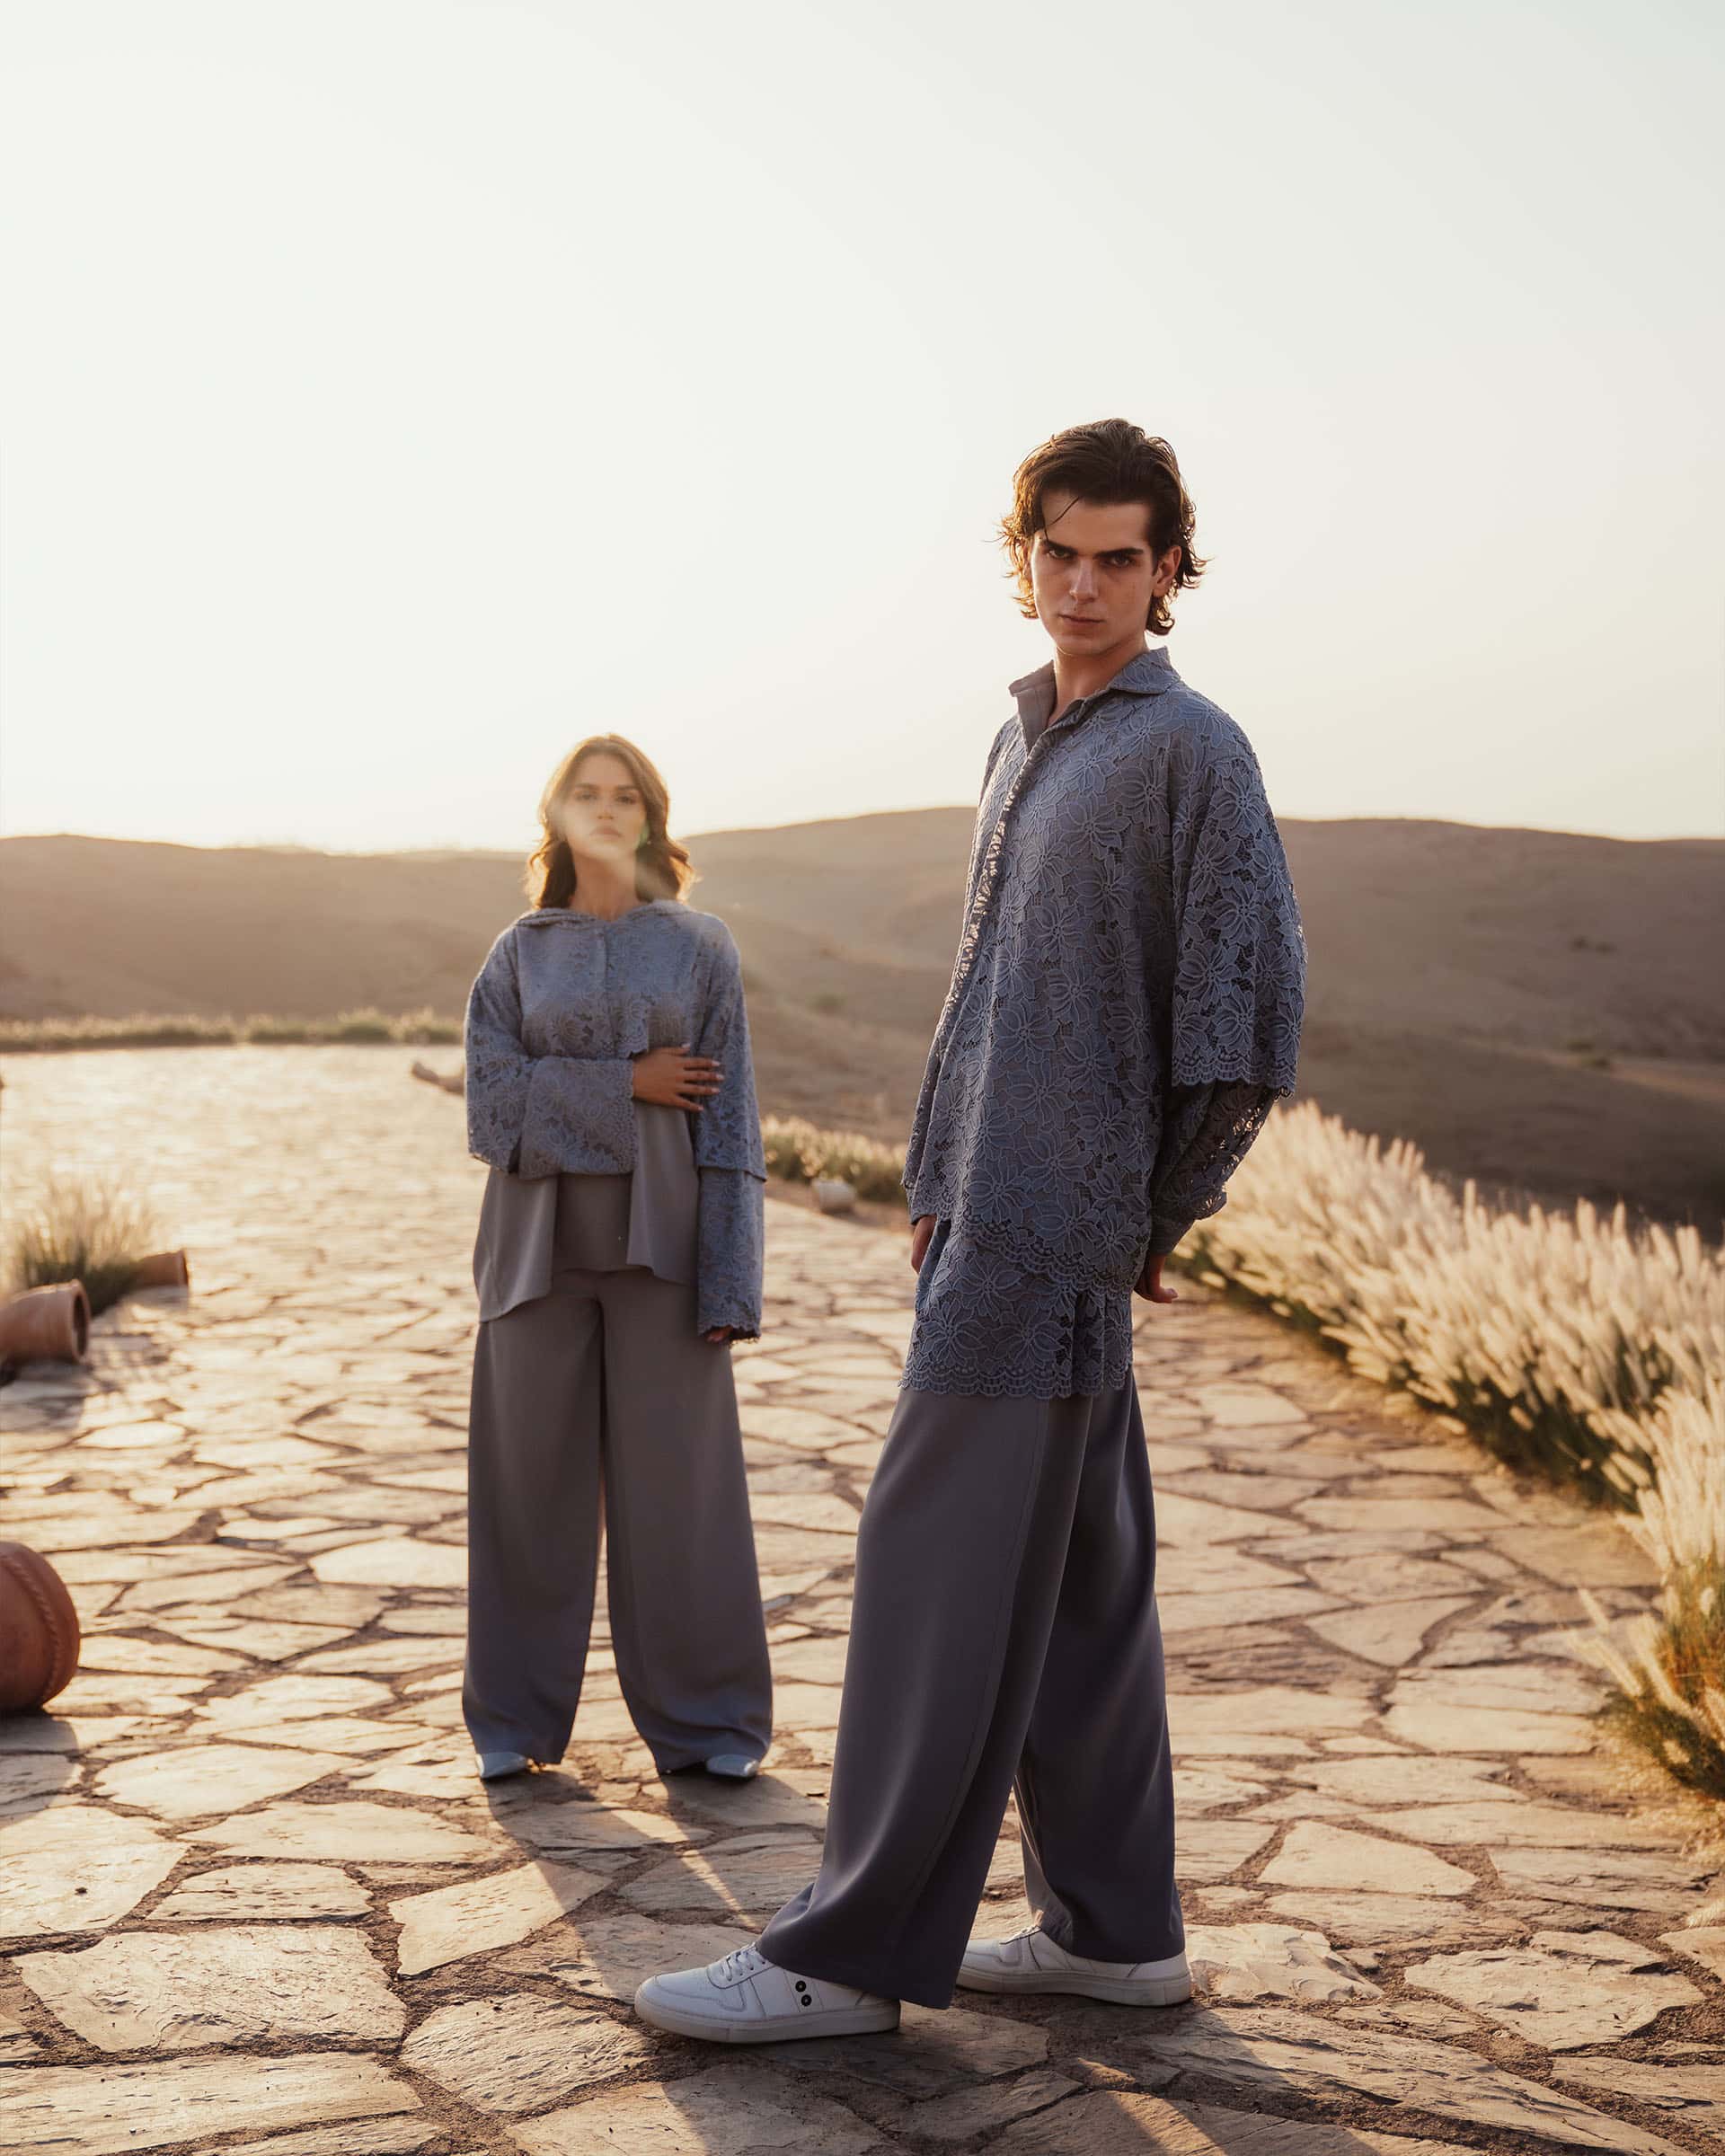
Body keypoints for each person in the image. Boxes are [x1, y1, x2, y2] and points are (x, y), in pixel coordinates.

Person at [634, 418, 1306, 2041]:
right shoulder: (1019, 743)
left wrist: (1159, 1210)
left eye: (1118, 560)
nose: (1083, 586)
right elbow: (987, 992)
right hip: (985, 1212)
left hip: (1054, 1237)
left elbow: (1246, 1024)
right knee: (1081, 1591)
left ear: (1167, 570)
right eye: (1057, 553)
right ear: (1023, 558)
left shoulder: (1192, 750)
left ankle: (849, 1952)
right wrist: (936, 1176)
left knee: (924, 1567)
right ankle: (1115, 1933)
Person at [460, 733, 774, 1787]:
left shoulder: (700, 947)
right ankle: (512, 1719)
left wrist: (733, 1276)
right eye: (586, 794)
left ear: (651, 818)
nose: (605, 808)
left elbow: (731, 1122)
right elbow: (490, 1113)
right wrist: (625, 1085)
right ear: (557, 815)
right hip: (533, 1258)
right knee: (524, 1496)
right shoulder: (517, 954)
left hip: (667, 1255)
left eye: (625, 796)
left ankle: (712, 1723)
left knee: (685, 1498)